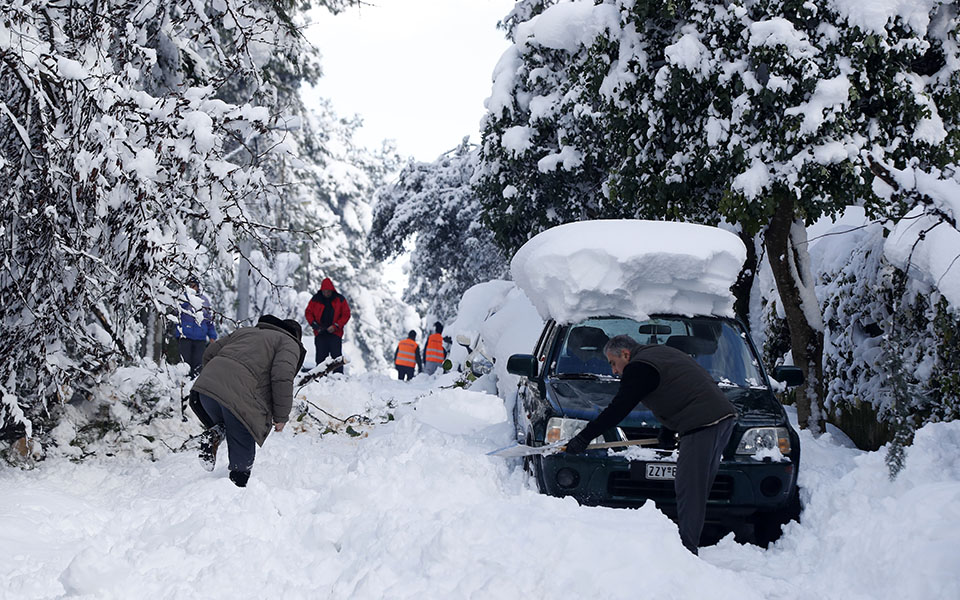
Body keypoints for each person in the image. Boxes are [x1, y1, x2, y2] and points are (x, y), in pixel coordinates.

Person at [564, 334, 737, 555]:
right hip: (721, 418)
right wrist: (670, 427)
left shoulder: (639, 367)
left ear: (625, 354)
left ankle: (687, 552)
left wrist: (584, 437)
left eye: (613, 363)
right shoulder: (659, 354)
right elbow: (679, 388)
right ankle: (688, 545)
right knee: (696, 487)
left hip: (703, 423)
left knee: (690, 488)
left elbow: (619, 408)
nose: (614, 371)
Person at [191, 315, 306, 487]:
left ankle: (215, 433)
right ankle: (238, 490)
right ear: (297, 336)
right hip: (240, 398)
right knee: (241, 450)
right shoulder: (288, 343)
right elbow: (282, 376)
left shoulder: (246, 331)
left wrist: (216, 379)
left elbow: (210, 352)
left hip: (206, 391)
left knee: (228, 423)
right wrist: (281, 416)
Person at [304, 277, 350, 374]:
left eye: (328, 291)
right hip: (320, 333)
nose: (326, 293)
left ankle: (338, 377)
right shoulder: (316, 299)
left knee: (336, 357)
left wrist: (336, 326)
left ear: (332, 290)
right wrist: (314, 325)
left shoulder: (340, 299)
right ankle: (319, 377)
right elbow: (308, 312)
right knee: (320, 357)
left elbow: (346, 314)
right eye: (324, 291)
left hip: (335, 333)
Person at [177, 277, 218, 377]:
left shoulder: (204, 300)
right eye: (190, 285)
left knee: (198, 363)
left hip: (200, 337)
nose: (192, 287)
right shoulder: (182, 298)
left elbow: (208, 319)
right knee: (185, 362)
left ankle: (194, 383)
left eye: (194, 285)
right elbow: (177, 312)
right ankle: (183, 383)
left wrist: (212, 335)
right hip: (185, 336)